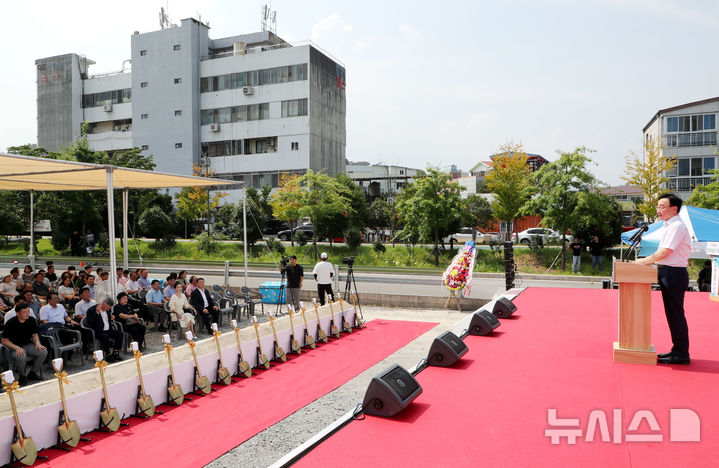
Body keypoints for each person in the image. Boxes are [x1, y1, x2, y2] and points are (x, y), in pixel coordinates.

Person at [635, 193, 692, 365]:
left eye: (662, 206)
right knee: (672, 315)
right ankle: (677, 350)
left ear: (674, 209)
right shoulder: (669, 225)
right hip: (668, 272)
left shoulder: (676, 226)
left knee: (675, 315)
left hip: (673, 273)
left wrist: (643, 262)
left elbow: (665, 252)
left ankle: (681, 353)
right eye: (657, 206)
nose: (658, 210)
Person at [1, 305, 47, 385]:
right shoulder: (10, 323)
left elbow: (34, 334)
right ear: (18, 313)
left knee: (43, 351)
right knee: (21, 356)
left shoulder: (31, 320)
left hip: (27, 345)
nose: (27, 314)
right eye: (24, 312)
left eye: (28, 311)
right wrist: (16, 347)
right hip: (13, 347)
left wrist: (37, 343)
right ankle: (22, 376)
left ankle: (32, 373)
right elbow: (4, 341)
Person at [86, 298, 124, 362]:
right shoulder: (91, 310)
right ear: (103, 304)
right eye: (107, 308)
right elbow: (90, 322)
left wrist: (111, 317)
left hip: (108, 330)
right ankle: (108, 355)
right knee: (105, 336)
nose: (108, 309)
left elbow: (107, 320)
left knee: (120, 334)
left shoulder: (107, 310)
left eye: (109, 308)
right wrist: (97, 313)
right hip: (97, 331)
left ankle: (115, 352)